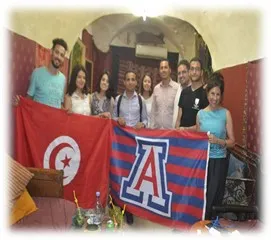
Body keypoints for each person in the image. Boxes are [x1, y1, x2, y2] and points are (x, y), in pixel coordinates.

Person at [196, 72, 235, 220]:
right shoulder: (200, 114)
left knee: (214, 198)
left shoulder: (226, 114)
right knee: (203, 196)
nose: (215, 98)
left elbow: (232, 142)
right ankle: (201, 226)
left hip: (219, 162)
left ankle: (212, 226)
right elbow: (197, 141)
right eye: (212, 93)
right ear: (207, 93)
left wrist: (219, 141)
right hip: (204, 163)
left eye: (218, 94)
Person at [112, 70, 148, 225]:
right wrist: (116, 119)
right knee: (120, 174)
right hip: (120, 144)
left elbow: (146, 120)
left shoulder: (141, 101)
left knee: (133, 177)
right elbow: (112, 118)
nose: (131, 82)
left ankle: (131, 209)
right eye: (128, 79)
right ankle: (119, 205)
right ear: (124, 82)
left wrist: (143, 124)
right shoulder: (118, 100)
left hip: (135, 144)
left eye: (133, 79)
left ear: (135, 82)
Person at [14, 38, 68, 109]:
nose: (58, 57)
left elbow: (59, 104)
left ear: (63, 59)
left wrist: (68, 113)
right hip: (38, 119)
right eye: (57, 52)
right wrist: (20, 104)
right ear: (51, 52)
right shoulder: (37, 73)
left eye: (62, 55)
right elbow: (28, 99)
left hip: (54, 120)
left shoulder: (63, 79)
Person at [175, 57, 209, 130]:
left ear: (201, 72)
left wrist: (185, 129)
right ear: (189, 72)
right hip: (182, 138)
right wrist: (176, 131)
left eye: (197, 69)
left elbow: (205, 123)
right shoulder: (184, 92)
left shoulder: (206, 93)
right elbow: (178, 119)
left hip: (197, 139)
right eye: (192, 69)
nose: (194, 72)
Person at [150, 59, 179, 129]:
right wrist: (151, 128)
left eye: (166, 67)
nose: (163, 70)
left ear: (170, 70)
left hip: (171, 133)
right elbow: (153, 111)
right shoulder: (156, 89)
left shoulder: (177, 88)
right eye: (161, 68)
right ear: (159, 71)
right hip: (157, 132)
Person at [172, 59, 191, 127]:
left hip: (187, 134)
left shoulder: (194, 91)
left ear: (189, 72)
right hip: (176, 132)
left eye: (184, 72)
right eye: (179, 73)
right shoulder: (177, 89)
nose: (181, 75)